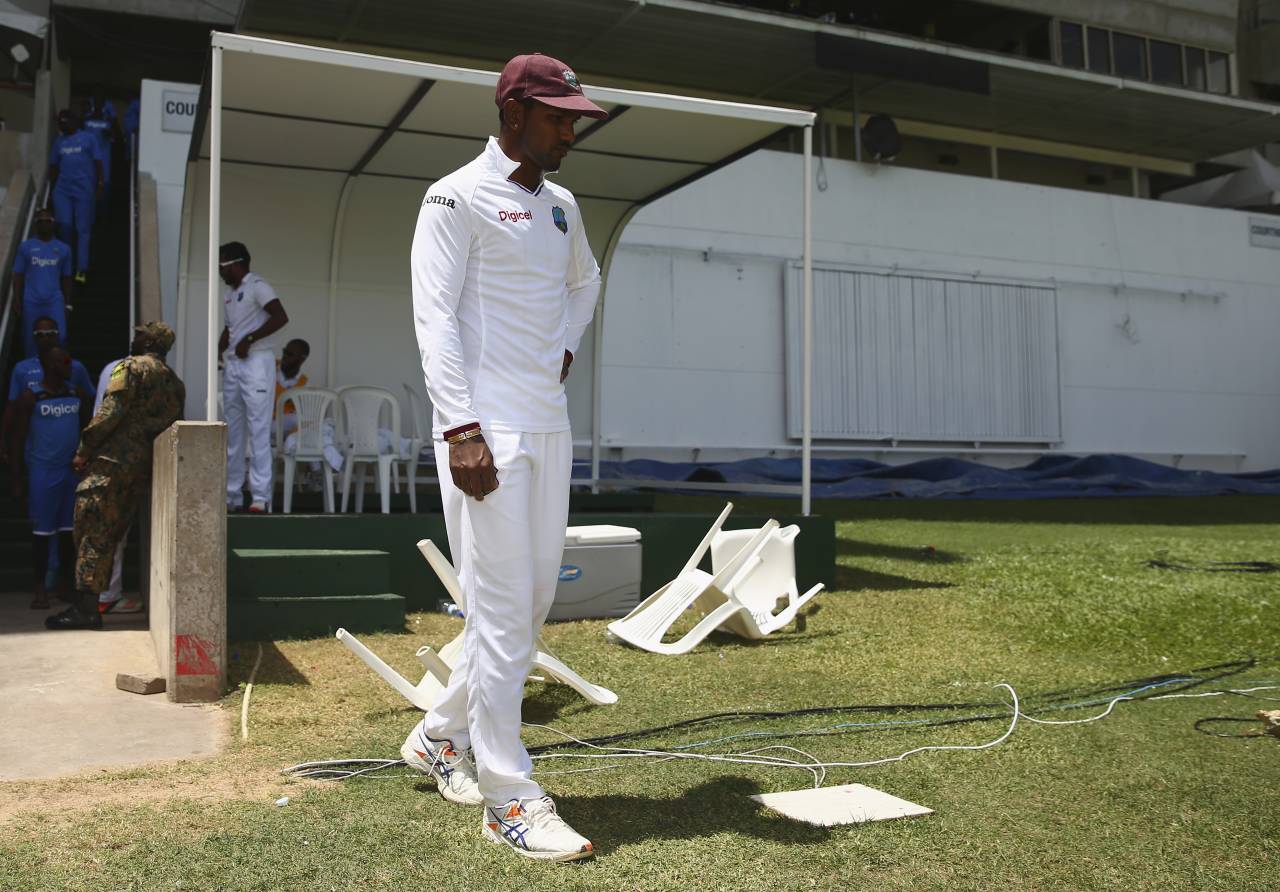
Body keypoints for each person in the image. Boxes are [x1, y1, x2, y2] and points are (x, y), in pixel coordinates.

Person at [404, 52, 606, 861]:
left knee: (523, 611)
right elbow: (435, 319)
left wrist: (561, 350)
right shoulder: (453, 196)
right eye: (559, 116)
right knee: (497, 612)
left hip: (547, 425)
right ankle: (508, 796)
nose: (569, 131)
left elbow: (586, 283)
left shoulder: (561, 206)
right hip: (487, 437)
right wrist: (461, 429)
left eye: (573, 118)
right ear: (513, 109)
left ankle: (438, 736)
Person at [45, 322, 184, 630]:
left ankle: (85, 609)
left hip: (111, 463)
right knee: (111, 534)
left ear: (148, 340)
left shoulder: (130, 368)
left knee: (92, 531)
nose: (133, 338)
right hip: (141, 469)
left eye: (139, 334)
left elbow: (110, 412)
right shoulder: (174, 383)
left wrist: (84, 448)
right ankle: (92, 603)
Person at [6, 347, 90, 610]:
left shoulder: (74, 393)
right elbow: (18, 438)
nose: (69, 365)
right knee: (42, 533)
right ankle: (40, 588)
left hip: (70, 473)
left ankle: (66, 584)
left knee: (68, 533)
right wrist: (17, 476)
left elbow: (89, 429)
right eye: (64, 362)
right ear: (49, 365)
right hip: (44, 472)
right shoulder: (31, 397)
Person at [218, 241, 288, 513]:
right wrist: (218, 351)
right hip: (234, 364)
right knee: (233, 434)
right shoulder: (228, 294)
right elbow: (230, 329)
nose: (220, 272)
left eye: (222, 266)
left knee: (258, 431)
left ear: (236, 264)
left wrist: (251, 338)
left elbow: (280, 317)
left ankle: (260, 497)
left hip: (257, 362)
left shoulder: (257, 286)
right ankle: (232, 495)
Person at [91, 354, 141, 615]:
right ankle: (105, 596)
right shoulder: (124, 371)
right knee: (113, 532)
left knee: (106, 531)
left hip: (106, 461)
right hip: (115, 465)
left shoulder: (112, 367)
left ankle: (100, 595)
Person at [48, 109, 103, 284]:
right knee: (64, 227)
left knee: (83, 230)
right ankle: (66, 266)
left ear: (74, 121)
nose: (62, 125)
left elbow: (98, 163)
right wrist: (51, 190)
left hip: (84, 190)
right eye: (60, 122)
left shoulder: (88, 138)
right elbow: (54, 166)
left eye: (65, 121)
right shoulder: (59, 142)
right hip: (62, 190)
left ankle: (81, 269)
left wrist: (100, 184)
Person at [12, 208, 73, 357]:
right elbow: (18, 274)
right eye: (40, 221)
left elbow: (66, 277)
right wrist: (17, 299)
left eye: (48, 220)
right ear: (35, 224)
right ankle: (34, 372)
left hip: (54, 301)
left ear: (53, 223)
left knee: (61, 336)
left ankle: (55, 369)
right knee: (30, 340)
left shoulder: (64, 249)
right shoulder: (25, 247)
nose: (44, 224)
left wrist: (67, 303)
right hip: (31, 301)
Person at [275, 338, 310, 437]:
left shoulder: (304, 383)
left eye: (290, 354)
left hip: (285, 424)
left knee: (320, 424)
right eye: (284, 352)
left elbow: (304, 414)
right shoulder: (269, 367)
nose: (284, 356)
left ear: (302, 359)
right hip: (261, 421)